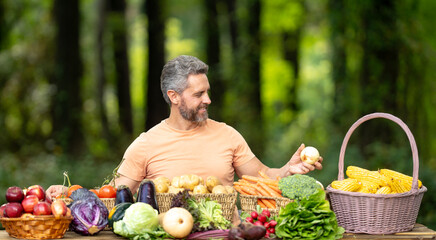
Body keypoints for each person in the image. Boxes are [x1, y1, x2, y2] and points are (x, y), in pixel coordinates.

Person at [46, 55, 322, 223]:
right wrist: (71, 194)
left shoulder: (228, 134)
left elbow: (264, 179)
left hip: (226, 235)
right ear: (174, 96)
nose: (208, 100)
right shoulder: (146, 143)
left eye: (208, 92)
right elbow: (113, 195)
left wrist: (289, 169)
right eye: (199, 94)